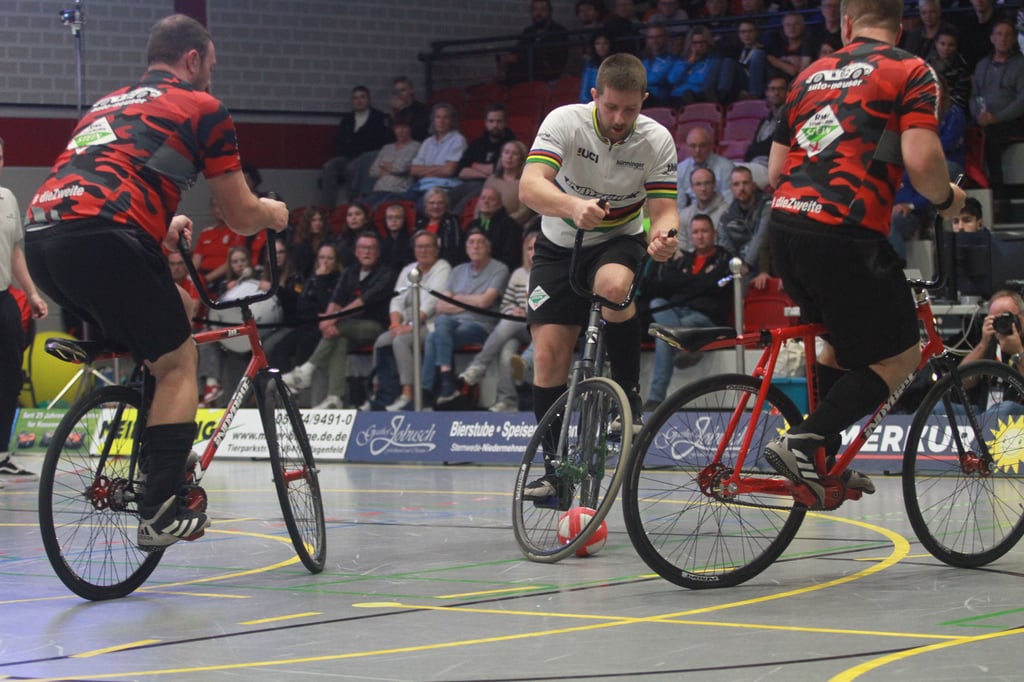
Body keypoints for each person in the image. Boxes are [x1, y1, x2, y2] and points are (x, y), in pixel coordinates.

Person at [23, 14, 290, 549]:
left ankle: (160, 444)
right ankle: (160, 506)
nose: (211, 80)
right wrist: (272, 213)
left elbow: (107, 171)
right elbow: (239, 214)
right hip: (103, 237)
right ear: (192, 59)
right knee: (178, 362)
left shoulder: (109, 102)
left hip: (45, 239)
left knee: (180, 305)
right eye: (210, 67)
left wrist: (157, 224)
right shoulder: (203, 107)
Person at [764, 0, 966, 506]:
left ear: (846, 23)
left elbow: (773, 173)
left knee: (838, 344)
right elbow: (922, 161)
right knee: (901, 354)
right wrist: (948, 200)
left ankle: (821, 460)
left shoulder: (809, 75)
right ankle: (806, 440)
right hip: (845, 234)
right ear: (901, 28)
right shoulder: (910, 69)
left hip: (784, 232)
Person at [519, 52, 679, 499]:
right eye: (611, 107)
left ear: (644, 100)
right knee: (548, 358)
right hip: (558, 243)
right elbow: (529, 186)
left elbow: (664, 209)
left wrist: (665, 236)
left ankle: (627, 398)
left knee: (612, 287)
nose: (619, 118)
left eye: (630, 109)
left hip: (618, 238)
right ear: (595, 97)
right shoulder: (564, 122)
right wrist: (573, 207)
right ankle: (554, 472)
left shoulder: (657, 139)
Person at [281, 231, 394, 409]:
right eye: (363, 248)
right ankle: (335, 398)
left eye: (372, 248)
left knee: (338, 328)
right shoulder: (350, 272)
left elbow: (361, 303)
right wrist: (327, 321)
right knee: (339, 340)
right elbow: (336, 300)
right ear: (356, 251)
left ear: (378, 252)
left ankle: (307, 369)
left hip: (375, 326)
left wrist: (330, 321)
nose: (367, 252)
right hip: (346, 327)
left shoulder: (385, 273)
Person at [643, 214, 733, 409]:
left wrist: (687, 282)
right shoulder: (684, 259)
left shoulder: (724, 258)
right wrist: (698, 282)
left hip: (704, 318)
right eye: (695, 232)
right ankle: (685, 345)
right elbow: (667, 281)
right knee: (656, 303)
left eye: (704, 231)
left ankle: (656, 398)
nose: (700, 236)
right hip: (676, 311)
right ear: (690, 236)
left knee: (663, 335)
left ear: (714, 233)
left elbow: (713, 285)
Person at [1, 137, 48, 481]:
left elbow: (15, 251)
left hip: (3, 299)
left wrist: (31, 292)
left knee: (9, 378)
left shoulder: (7, 198)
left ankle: (2, 454)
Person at [364, 230, 452, 412]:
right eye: (420, 246)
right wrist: (396, 323)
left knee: (400, 340)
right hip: (405, 323)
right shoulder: (408, 270)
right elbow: (396, 299)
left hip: (429, 324)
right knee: (381, 341)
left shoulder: (443, 267)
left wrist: (409, 326)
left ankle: (408, 393)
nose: (423, 250)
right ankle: (380, 391)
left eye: (428, 246)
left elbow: (430, 303)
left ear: (436, 249)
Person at [421, 227, 509, 406]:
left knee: (434, 336)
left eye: (480, 242)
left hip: (481, 325)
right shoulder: (457, 270)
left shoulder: (500, 268)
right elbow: (440, 305)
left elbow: (486, 301)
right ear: (466, 247)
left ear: (488, 247)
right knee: (441, 323)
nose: (475, 246)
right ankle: (444, 381)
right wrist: (471, 302)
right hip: (452, 325)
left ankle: (428, 392)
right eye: (471, 242)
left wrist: (458, 298)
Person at [458, 230, 538, 412]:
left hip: (542, 327)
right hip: (520, 327)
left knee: (509, 327)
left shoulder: (551, 273)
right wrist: (513, 310)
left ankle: (478, 367)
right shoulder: (518, 274)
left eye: (537, 248)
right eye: (529, 248)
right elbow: (505, 306)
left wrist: (525, 312)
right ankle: (508, 401)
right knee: (507, 348)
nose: (533, 252)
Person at [942, 290, 1024, 421]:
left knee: (1005, 408)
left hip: (1016, 414)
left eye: (1006, 317)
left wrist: (1018, 352)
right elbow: (961, 382)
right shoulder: (989, 343)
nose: (1001, 323)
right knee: (940, 408)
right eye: (995, 319)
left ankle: (977, 438)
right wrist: (983, 344)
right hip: (984, 412)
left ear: (1022, 318)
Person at [267, 243, 341, 374]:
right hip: (304, 325)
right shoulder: (311, 279)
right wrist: (316, 279)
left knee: (304, 347)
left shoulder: (338, 280)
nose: (325, 262)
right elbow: (301, 305)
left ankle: (298, 384)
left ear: (336, 261)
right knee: (279, 349)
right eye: (322, 258)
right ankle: (286, 385)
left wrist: (321, 279)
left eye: (330, 258)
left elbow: (327, 304)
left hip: (322, 325)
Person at [969, 18, 1024, 191]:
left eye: (1008, 35)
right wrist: (978, 115)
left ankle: (997, 188)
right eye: (999, 34)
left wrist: (997, 118)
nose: (1003, 38)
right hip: (985, 119)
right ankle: (965, 182)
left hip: (1012, 121)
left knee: (989, 135)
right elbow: (974, 95)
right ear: (992, 38)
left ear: (1014, 39)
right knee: (965, 132)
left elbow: (1022, 100)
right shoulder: (982, 65)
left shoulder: (1020, 65)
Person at [319, 85, 390, 208]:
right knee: (329, 166)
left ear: (369, 99)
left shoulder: (378, 118)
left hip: (368, 157)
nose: (359, 101)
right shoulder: (347, 119)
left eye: (362, 97)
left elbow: (379, 142)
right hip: (347, 156)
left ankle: (354, 206)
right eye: (356, 98)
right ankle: (327, 208)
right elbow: (340, 141)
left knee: (351, 168)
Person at [448, 104, 516, 216]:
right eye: (491, 121)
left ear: (505, 123)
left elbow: (499, 170)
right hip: (469, 183)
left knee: (462, 206)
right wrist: (486, 173)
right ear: (486, 123)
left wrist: (474, 165)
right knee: (444, 199)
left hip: (495, 185)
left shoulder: (511, 143)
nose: (495, 125)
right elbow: (461, 171)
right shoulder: (477, 143)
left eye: (499, 121)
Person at [719, 166, 772, 287]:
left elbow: (761, 237)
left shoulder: (767, 205)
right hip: (739, 268)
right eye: (736, 184)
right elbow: (726, 247)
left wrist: (746, 265)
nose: (741, 188)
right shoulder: (726, 217)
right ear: (731, 189)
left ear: (753, 185)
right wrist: (736, 267)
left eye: (745, 183)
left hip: (767, 265)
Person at [498, 0, 570, 84]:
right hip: (525, 75)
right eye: (535, 10)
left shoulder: (559, 31)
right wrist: (505, 61)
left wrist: (519, 57)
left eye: (542, 10)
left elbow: (553, 58)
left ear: (549, 12)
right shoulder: (528, 31)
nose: (538, 13)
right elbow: (517, 50)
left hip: (547, 75)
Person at [406, 103, 467, 201]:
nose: (441, 121)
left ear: (452, 121)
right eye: (438, 117)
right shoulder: (428, 141)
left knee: (417, 207)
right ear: (433, 120)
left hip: (442, 188)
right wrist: (439, 168)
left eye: (445, 118)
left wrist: (424, 171)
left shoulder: (458, 139)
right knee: (394, 202)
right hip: (421, 186)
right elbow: (413, 170)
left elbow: (449, 171)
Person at [361, 113, 422, 210]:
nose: (400, 131)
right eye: (397, 127)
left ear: (410, 128)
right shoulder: (387, 148)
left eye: (404, 127)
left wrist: (384, 167)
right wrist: (392, 168)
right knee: (359, 207)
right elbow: (373, 171)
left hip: (399, 192)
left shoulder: (416, 146)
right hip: (378, 190)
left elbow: (401, 168)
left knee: (378, 208)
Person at [465, 186, 524, 272]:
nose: (486, 202)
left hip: (498, 272)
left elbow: (511, 259)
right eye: (483, 198)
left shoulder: (511, 227)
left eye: (491, 199)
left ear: (500, 204)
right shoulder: (472, 225)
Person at [668, 26, 726, 105]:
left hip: (699, 96)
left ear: (708, 42)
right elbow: (672, 79)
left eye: (702, 42)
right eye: (695, 43)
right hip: (678, 96)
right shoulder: (683, 60)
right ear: (690, 44)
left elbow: (705, 80)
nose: (699, 46)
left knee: (690, 95)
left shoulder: (713, 60)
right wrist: (689, 63)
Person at [676, 126, 735, 204]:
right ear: (687, 147)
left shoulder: (726, 167)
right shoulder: (680, 169)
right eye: (693, 146)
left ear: (710, 145)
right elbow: (679, 202)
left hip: (718, 211)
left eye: (702, 145)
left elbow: (729, 200)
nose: (697, 150)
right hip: (689, 213)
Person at [483, 140, 534, 226]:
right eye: (506, 152)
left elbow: (524, 213)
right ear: (501, 156)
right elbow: (479, 206)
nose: (509, 156)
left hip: (512, 227)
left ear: (522, 159)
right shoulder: (491, 179)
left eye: (515, 154)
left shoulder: (526, 183)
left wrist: (500, 224)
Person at [677, 167, 728, 252]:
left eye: (707, 183)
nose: (703, 189)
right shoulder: (684, 215)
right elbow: (680, 247)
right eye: (698, 184)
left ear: (714, 184)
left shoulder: (726, 212)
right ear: (692, 188)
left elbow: (725, 247)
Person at [414, 187, 464, 266]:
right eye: (431, 203)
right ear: (426, 205)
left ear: (446, 205)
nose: (436, 206)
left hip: (443, 266)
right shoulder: (420, 223)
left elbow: (454, 250)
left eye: (440, 203)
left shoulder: (452, 222)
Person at [641, 24, 679, 108]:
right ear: (646, 40)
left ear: (665, 38)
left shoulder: (673, 60)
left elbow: (661, 79)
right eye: (651, 37)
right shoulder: (644, 62)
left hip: (665, 101)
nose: (654, 40)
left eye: (658, 37)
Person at [766, 12, 813, 79]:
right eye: (788, 25)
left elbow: (801, 73)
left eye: (796, 24)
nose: (792, 28)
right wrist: (786, 62)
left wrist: (778, 62)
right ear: (783, 28)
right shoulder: (777, 45)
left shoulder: (809, 45)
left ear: (803, 26)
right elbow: (769, 58)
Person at [289, 206, 330, 279]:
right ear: (307, 222)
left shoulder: (328, 242)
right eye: (313, 220)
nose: (317, 223)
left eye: (320, 220)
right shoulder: (300, 245)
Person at [389, 76, 430, 142]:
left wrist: (402, 111)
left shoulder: (422, 109)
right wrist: (394, 113)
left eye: (403, 90)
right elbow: (389, 136)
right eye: (396, 92)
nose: (399, 95)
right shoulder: (394, 110)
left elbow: (417, 133)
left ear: (412, 91)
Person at [580, 31, 615, 103]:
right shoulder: (590, 66)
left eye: (605, 43)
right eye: (598, 44)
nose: (601, 47)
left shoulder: (618, 64)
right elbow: (584, 94)